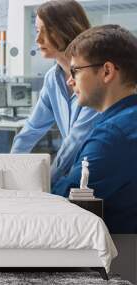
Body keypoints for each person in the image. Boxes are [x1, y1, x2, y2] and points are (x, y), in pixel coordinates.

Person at [53, 25, 137, 233]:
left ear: (107, 71)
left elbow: (61, 200)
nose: (70, 81)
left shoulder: (113, 136)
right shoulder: (127, 119)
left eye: (75, 71)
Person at [10, 0, 100, 185]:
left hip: (99, 171)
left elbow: (77, 140)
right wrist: (9, 168)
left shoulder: (94, 76)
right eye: (37, 30)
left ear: (67, 29)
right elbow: (32, 129)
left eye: (47, 30)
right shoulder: (53, 78)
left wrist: (46, 182)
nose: (38, 39)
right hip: (74, 171)